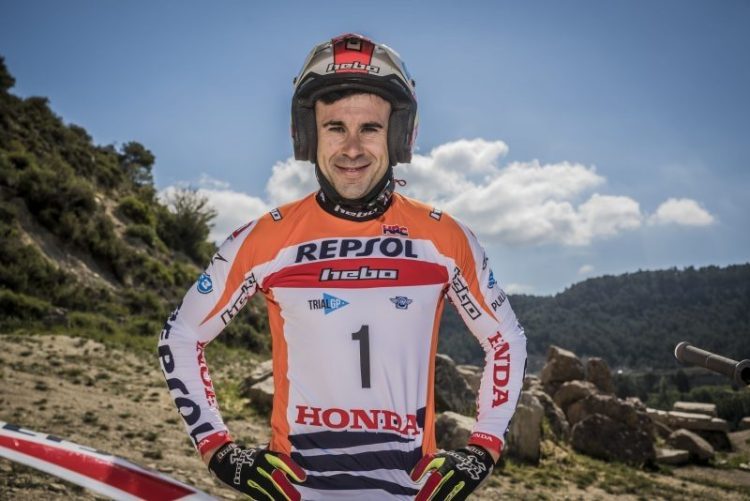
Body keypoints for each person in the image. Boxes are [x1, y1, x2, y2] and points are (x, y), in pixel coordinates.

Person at [158, 33, 527, 501]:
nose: (352, 148)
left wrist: (484, 446)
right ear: (308, 136)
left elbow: (506, 339)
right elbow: (180, 336)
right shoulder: (265, 237)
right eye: (335, 127)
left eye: (370, 128)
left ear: (398, 136)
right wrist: (218, 448)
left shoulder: (446, 238)